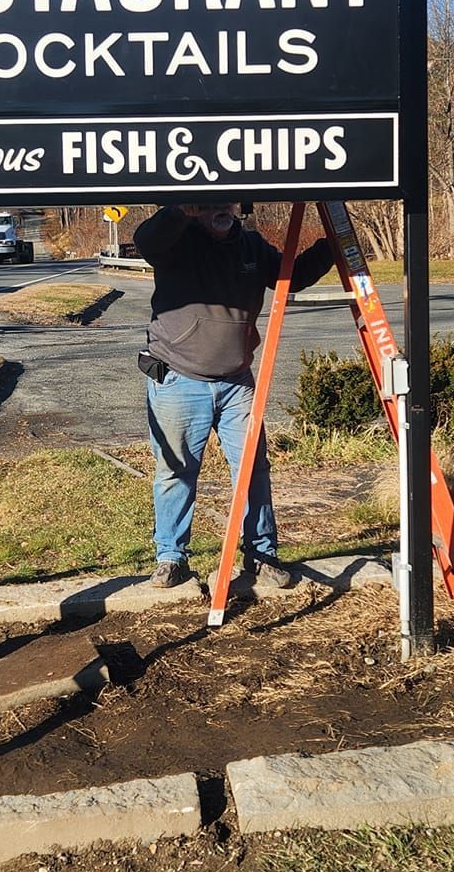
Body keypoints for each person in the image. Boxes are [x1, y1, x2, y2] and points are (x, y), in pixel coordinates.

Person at [133, 202, 336, 590]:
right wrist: (183, 210)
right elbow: (147, 241)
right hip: (178, 378)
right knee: (175, 472)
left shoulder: (251, 246)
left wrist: (333, 245)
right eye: (212, 202)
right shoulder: (175, 241)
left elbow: (290, 277)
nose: (221, 209)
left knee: (252, 470)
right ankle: (171, 557)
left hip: (237, 383)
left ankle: (260, 554)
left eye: (227, 200)